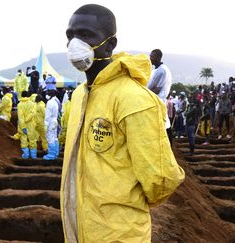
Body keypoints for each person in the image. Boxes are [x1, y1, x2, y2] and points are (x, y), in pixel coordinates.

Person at [61, 4, 185, 242]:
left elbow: (160, 180)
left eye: (86, 35)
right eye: (70, 35)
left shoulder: (135, 99)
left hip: (119, 234)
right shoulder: (79, 95)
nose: (75, 43)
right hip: (79, 230)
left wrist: (117, 207)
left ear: (110, 44)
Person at [17, 91, 37, 159]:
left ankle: (25, 155)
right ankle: (33, 156)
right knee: (32, 140)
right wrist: (27, 120)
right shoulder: (33, 104)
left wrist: (23, 125)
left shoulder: (20, 104)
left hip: (22, 125)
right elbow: (33, 113)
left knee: (23, 140)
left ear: (21, 96)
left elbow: (20, 116)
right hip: (31, 124)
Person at [43, 89, 60, 160]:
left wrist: (46, 125)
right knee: (55, 137)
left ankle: (51, 154)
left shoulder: (50, 102)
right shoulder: (56, 101)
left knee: (50, 138)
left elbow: (48, 115)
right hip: (55, 121)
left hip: (50, 122)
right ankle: (55, 153)